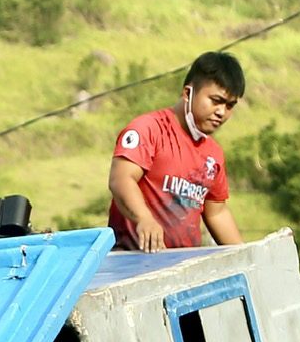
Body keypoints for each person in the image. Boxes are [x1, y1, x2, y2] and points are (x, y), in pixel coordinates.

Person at [106, 52, 247, 252]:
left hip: (182, 271)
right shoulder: (148, 129)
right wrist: (144, 219)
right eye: (216, 101)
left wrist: (249, 254)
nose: (222, 112)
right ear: (188, 93)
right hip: (132, 263)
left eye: (229, 106)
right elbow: (121, 180)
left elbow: (217, 213)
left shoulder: (214, 154)